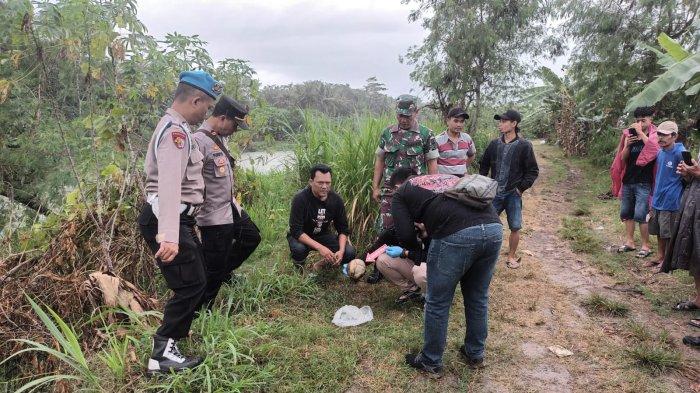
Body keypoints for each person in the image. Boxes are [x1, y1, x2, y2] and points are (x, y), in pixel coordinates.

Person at [137, 70, 220, 374]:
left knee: (193, 281)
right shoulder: (175, 132)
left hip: (173, 218)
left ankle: (169, 346)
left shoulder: (178, 127)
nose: (206, 112)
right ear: (196, 99)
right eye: (207, 106)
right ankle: (162, 354)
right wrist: (169, 235)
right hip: (165, 219)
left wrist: (186, 223)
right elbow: (169, 185)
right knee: (192, 284)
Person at [392, 174, 502, 376]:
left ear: (396, 185)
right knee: (478, 297)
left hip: (457, 234)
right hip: (494, 228)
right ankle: (475, 353)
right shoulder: (447, 177)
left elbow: (406, 236)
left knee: (437, 301)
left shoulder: (401, 192)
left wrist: (418, 246)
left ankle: (431, 360)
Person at [193, 96, 261, 310]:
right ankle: (202, 311)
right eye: (235, 125)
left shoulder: (220, 138)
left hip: (230, 208)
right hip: (212, 214)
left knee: (252, 237)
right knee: (213, 268)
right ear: (222, 118)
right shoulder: (198, 142)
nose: (236, 130)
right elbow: (190, 181)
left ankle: (225, 272)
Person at [367, 95, 439, 283]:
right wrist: (375, 187)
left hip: (416, 194)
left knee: (416, 229)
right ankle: (378, 267)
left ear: (416, 112)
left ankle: (416, 267)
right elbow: (380, 160)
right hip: (390, 192)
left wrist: (433, 191)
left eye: (408, 115)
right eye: (400, 115)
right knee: (385, 228)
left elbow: (432, 164)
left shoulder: (426, 134)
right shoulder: (387, 133)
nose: (404, 119)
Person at [479, 110, 539, 269]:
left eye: (504, 121)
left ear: (514, 124)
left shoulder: (524, 146)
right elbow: (484, 165)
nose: (501, 124)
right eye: (500, 121)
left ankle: (511, 256)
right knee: (485, 222)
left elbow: (532, 171)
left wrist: (521, 189)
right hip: (494, 193)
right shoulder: (494, 144)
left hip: (513, 193)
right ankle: (483, 255)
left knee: (515, 226)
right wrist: (484, 184)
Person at [370, 168, 427, 303]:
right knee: (382, 260)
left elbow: (434, 257)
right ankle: (415, 289)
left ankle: (434, 297)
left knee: (421, 271)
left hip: (435, 267)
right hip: (418, 261)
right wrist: (360, 261)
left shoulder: (428, 207)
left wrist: (407, 252)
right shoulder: (405, 212)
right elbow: (383, 242)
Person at [610, 106, 659, 258]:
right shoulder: (628, 135)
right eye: (637, 121)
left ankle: (646, 246)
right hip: (629, 180)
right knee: (626, 212)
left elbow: (655, 149)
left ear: (651, 120)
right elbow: (623, 159)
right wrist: (627, 145)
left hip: (644, 181)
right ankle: (630, 242)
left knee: (641, 213)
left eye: (643, 120)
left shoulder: (654, 134)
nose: (640, 123)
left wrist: (640, 133)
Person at [287, 164, 356, 271]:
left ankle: (321, 265)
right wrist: (320, 248)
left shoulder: (336, 200)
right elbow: (296, 231)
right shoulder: (300, 198)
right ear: (311, 182)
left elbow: (343, 229)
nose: (324, 186)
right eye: (320, 183)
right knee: (299, 249)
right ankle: (299, 270)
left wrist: (341, 251)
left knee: (349, 252)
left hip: (322, 234)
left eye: (328, 183)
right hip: (302, 236)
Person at [661, 148, 700, 312]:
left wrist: (697, 173)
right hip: (694, 202)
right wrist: (688, 173)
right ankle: (699, 299)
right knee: (696, 253)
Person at [647, 121, 685, 269]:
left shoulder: (680, 152)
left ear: (674, 136)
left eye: (664, 135)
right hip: (658, 197)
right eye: (659, 134)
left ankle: (667, 261)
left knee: (668, 232)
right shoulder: (660, 151)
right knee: (658, 229)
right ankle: (660, 255)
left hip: (671, 200)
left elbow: (687, 175)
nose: (660, 138)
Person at [436, 107, 477, 177]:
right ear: (448, 121)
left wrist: (463, 168)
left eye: (462, 121)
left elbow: (472, 155)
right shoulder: (438, 140)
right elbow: (432, 162)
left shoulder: (467, 138)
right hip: (443, 180)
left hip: (461, 180)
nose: (459, 125)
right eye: (456, 121)